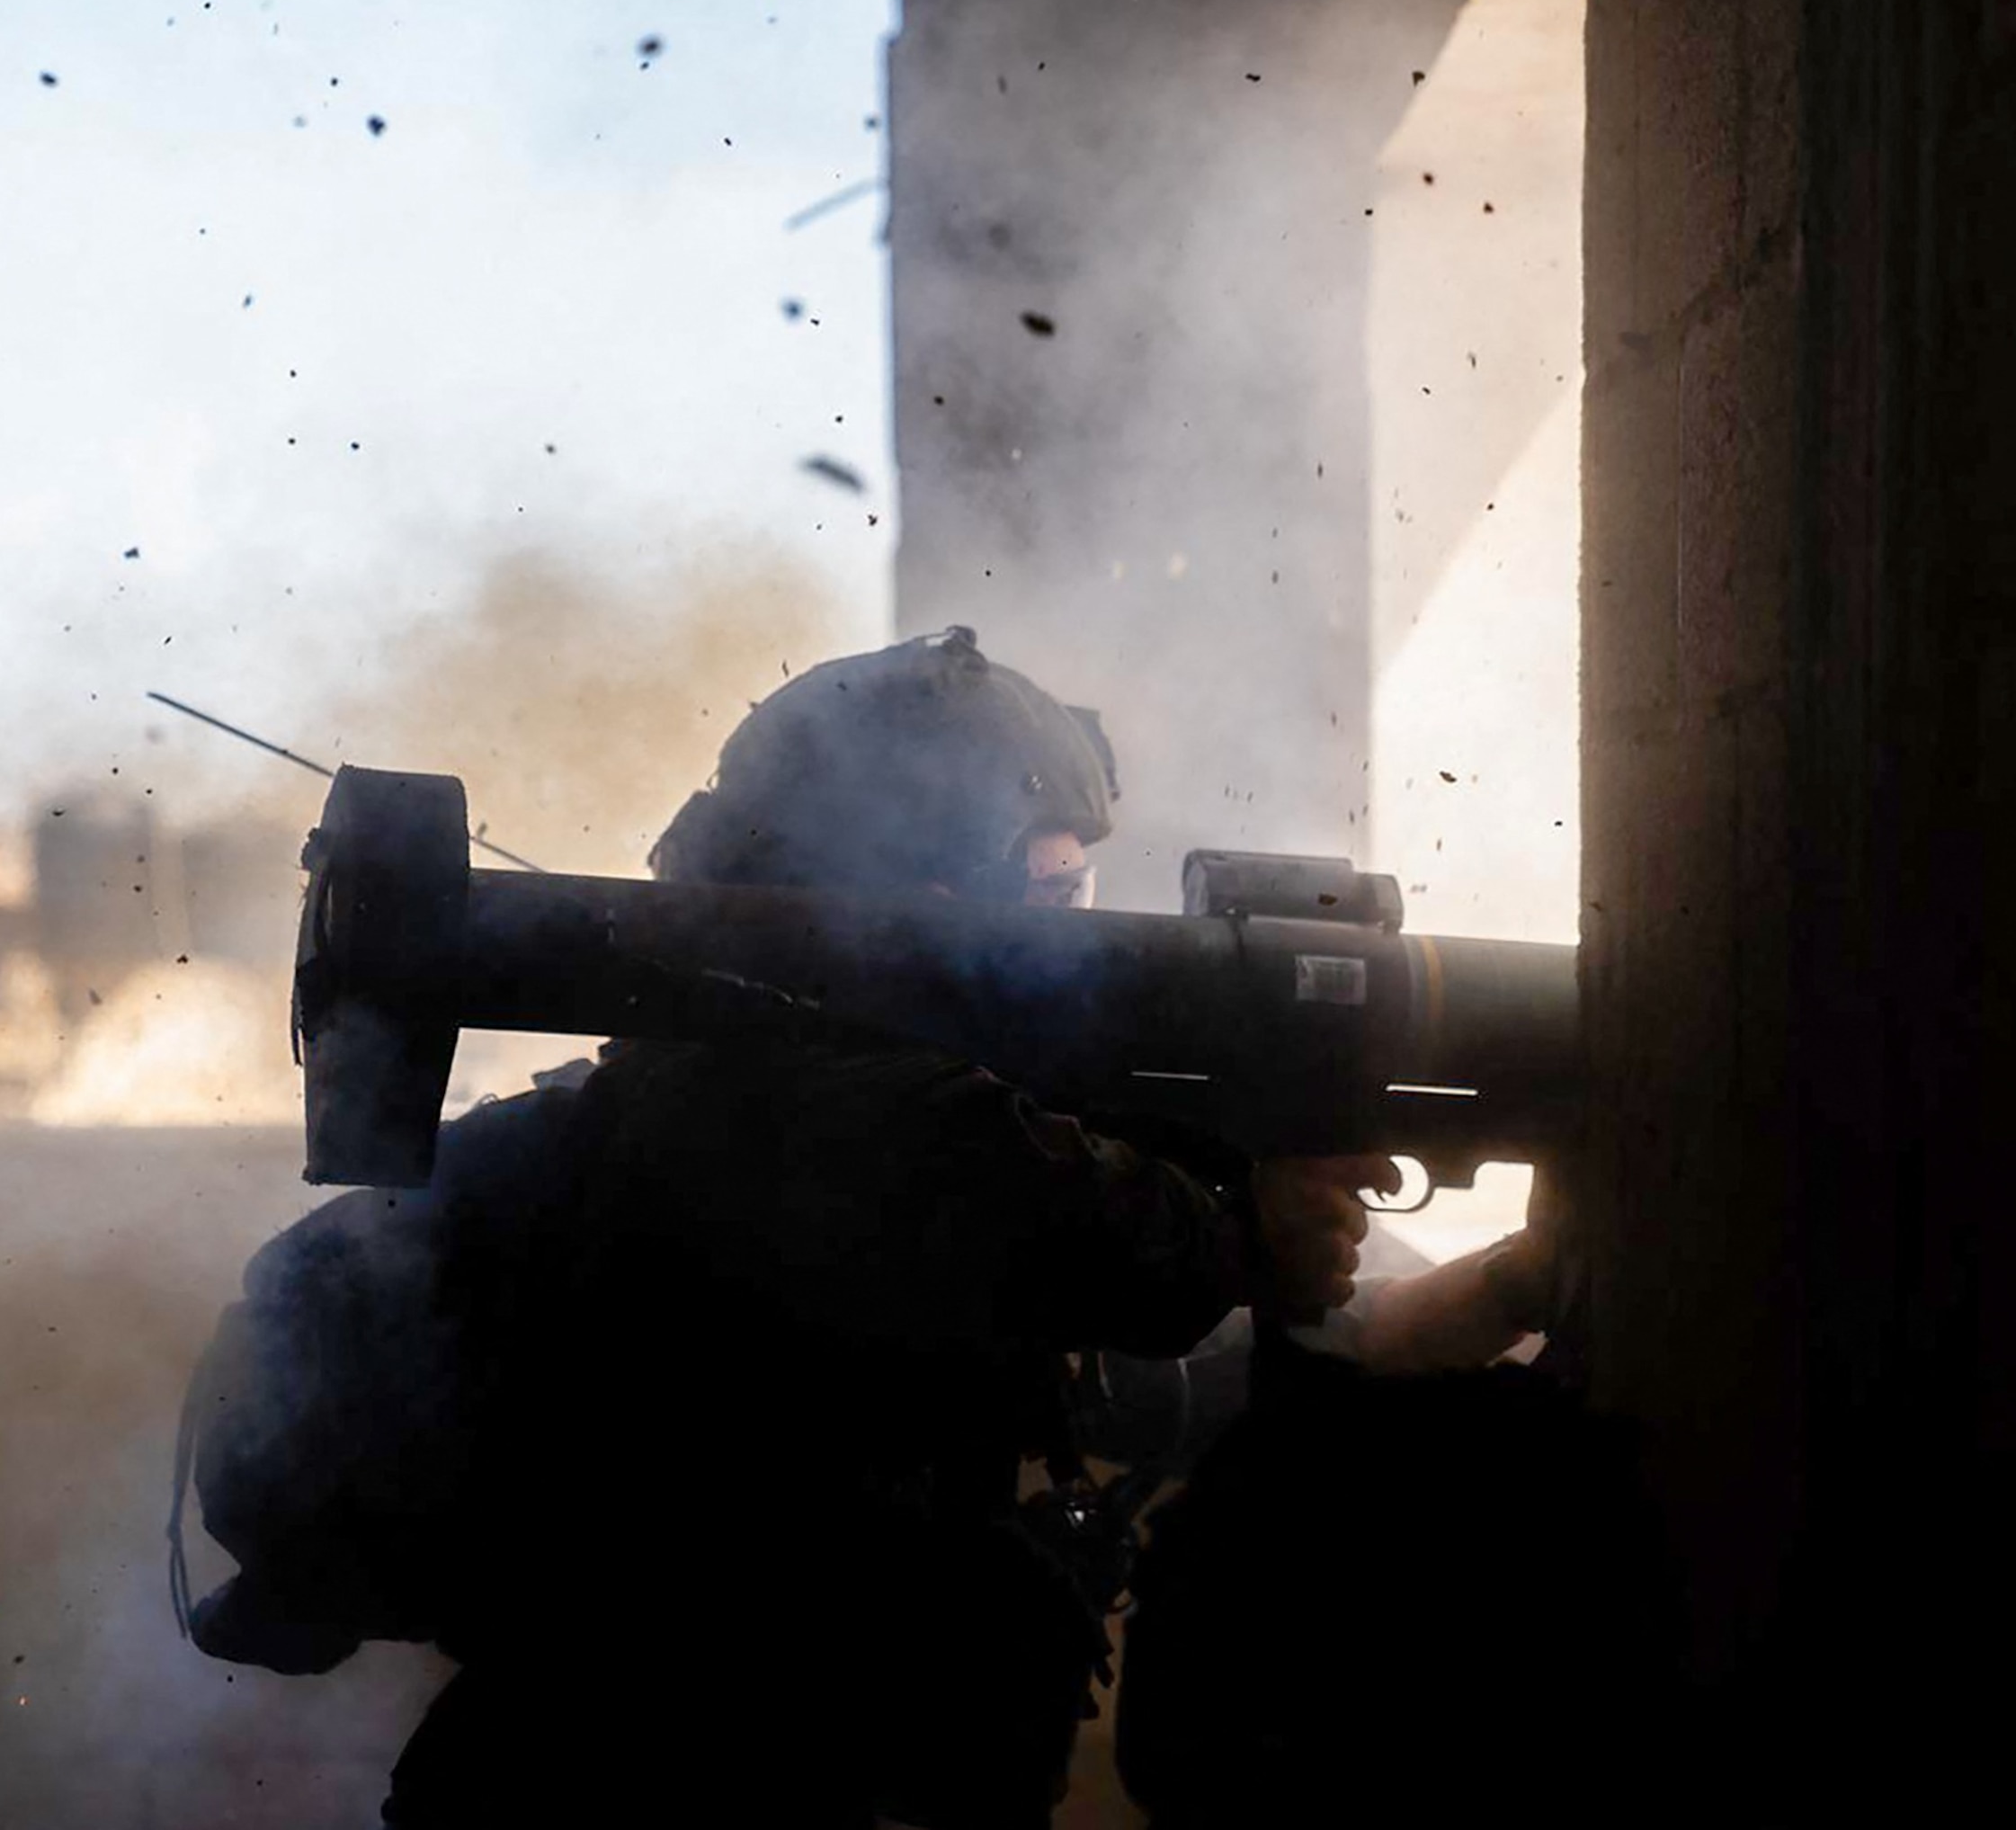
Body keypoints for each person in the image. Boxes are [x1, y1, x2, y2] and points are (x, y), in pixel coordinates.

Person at [376, 627, 1548, 1827]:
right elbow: (1080, 1224)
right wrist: (1252, 1229)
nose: (1079, 935)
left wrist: (1509, 1288)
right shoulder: (811, 1116)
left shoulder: (701, 1100)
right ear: (909, 890)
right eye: (1045, 894)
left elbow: (1160, 1385)